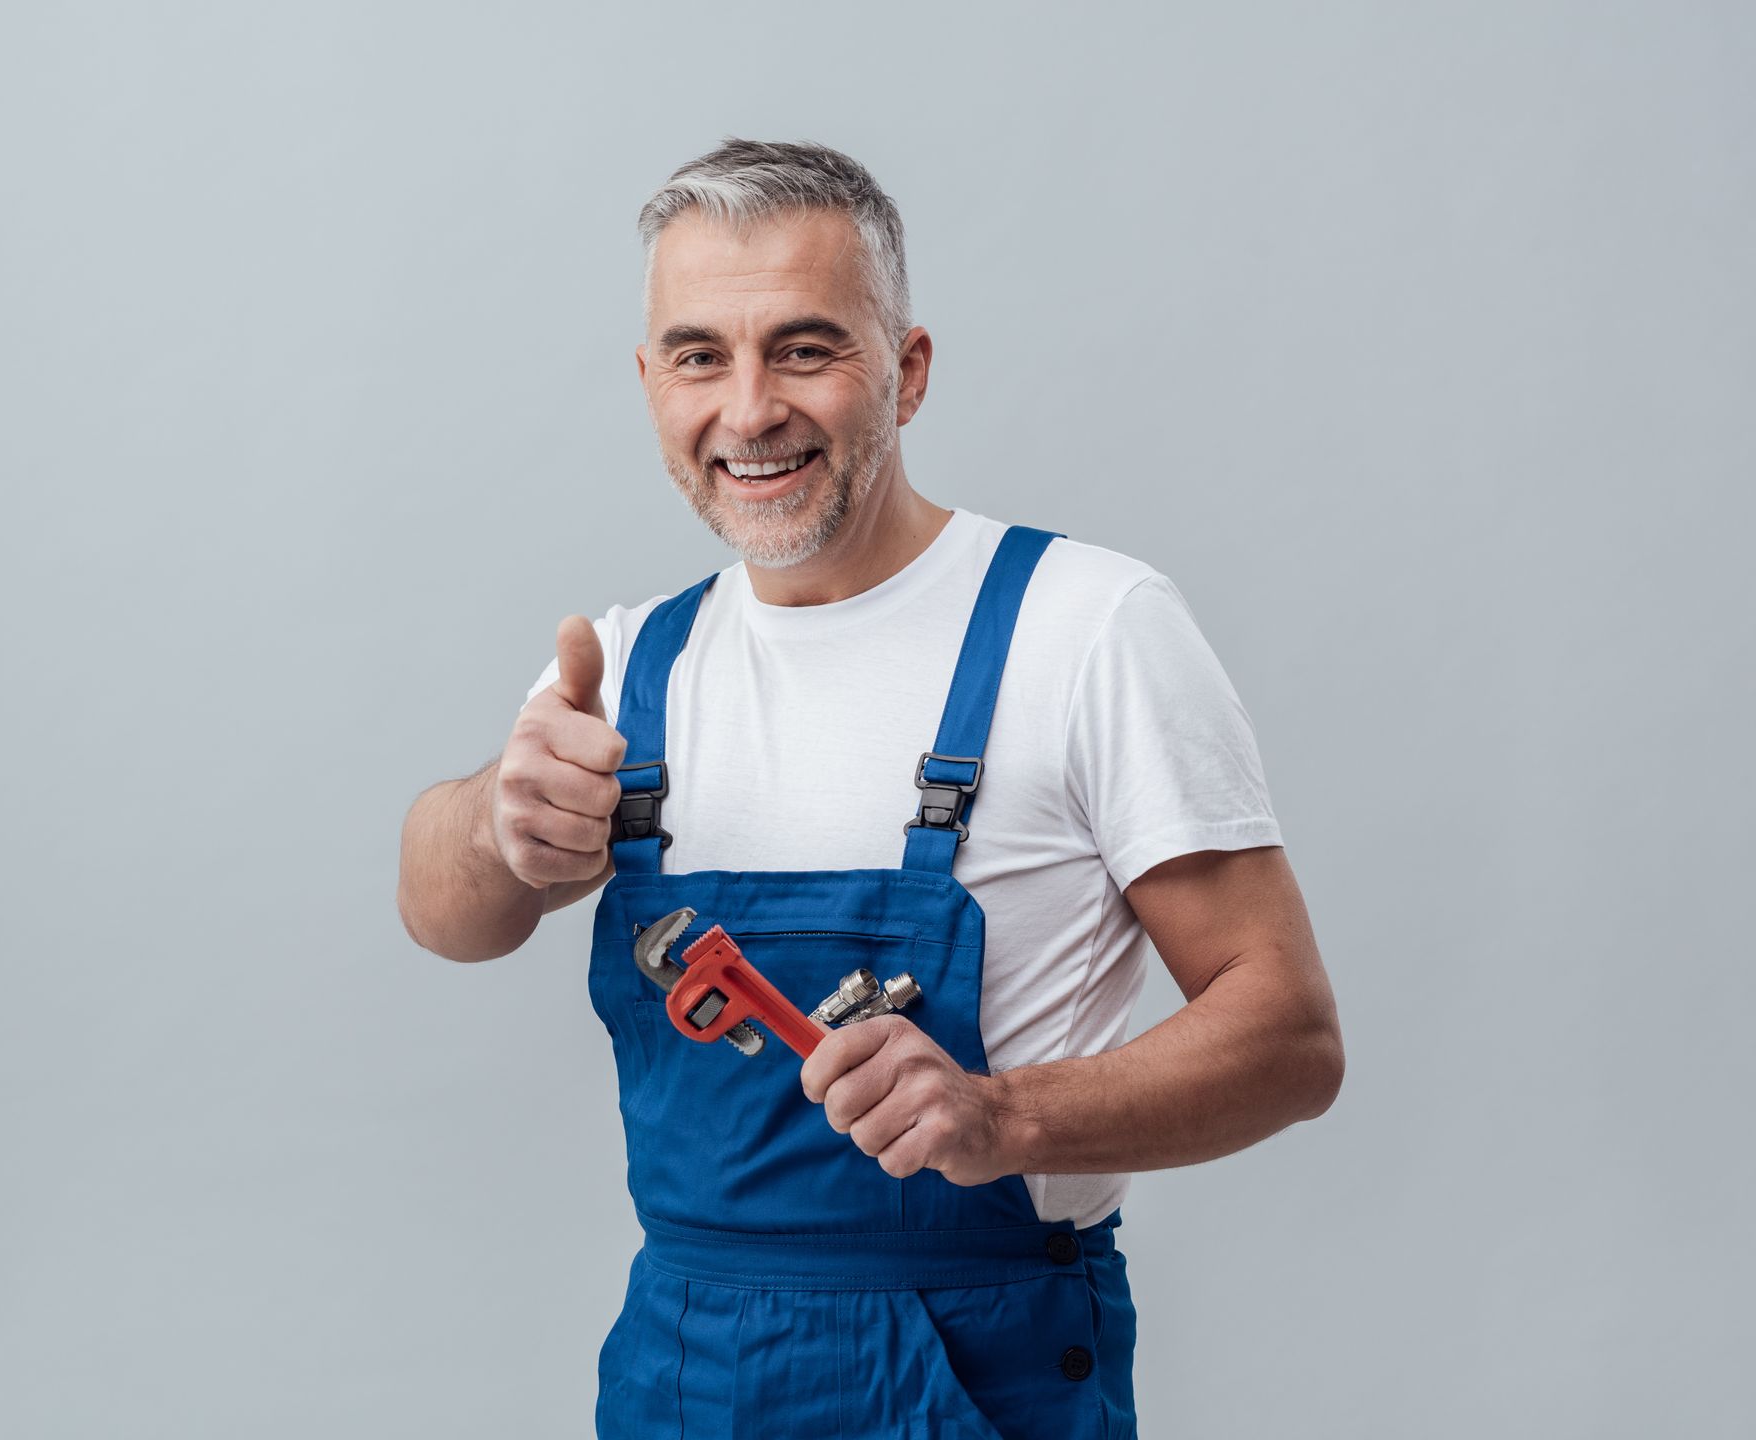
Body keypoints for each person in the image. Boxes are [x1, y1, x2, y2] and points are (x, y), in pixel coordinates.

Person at [397, 137, 1344, 1440]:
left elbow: (1289, 1036)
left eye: (803, 348)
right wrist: (499, 831)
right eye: (697, 356)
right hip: (683, 1367)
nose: (747, 409)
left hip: (977, 1364)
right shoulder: (625, 666)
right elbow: (444, 914)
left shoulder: (1088, 627)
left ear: (906, 372)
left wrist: (1004, 1116)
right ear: (648, 384)